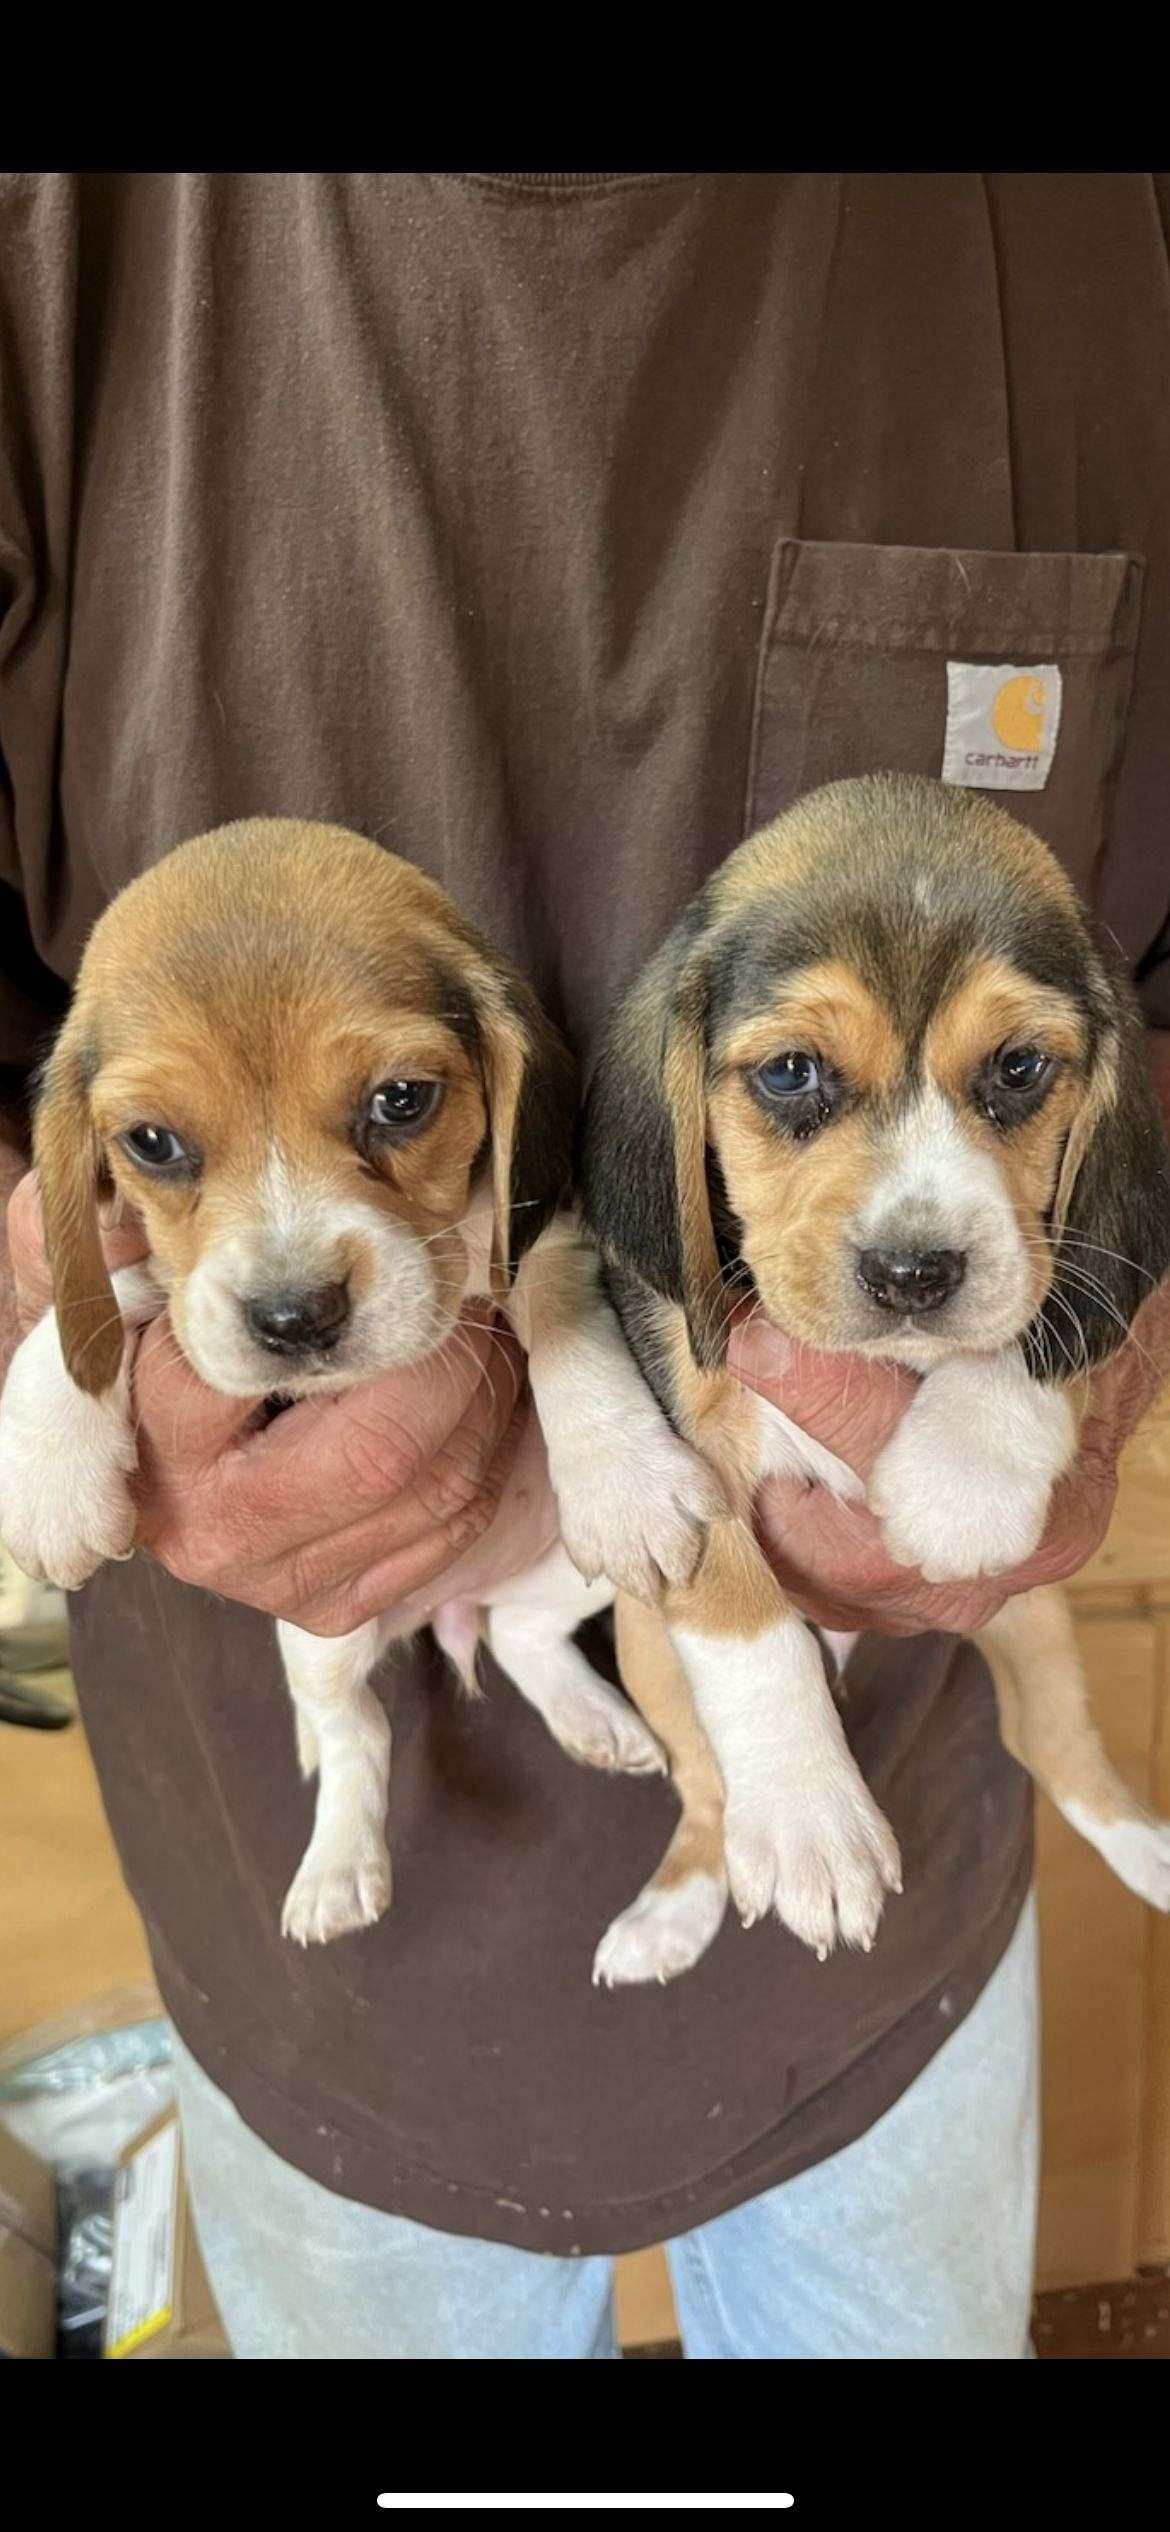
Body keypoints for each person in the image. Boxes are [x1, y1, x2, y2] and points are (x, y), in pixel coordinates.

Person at [2, 171, 1168, 2361]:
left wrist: (1078, 1358)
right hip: (314, 1953)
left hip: (895, 1885)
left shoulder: (1104, 233)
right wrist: (62, 1344)